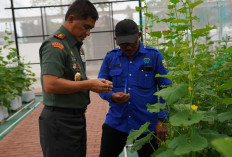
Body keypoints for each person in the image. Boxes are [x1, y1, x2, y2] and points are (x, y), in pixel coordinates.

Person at [38, 1, 113, 157]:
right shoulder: (55, 45)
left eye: (90, 29)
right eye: (86, 27)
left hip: (75, 119)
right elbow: (50, 84)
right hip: (60, 121)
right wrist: (90, 84)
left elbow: (76, 78)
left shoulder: (75, 47)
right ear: (71, 19)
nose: (88, 33)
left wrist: (93, 83)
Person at [98, 19, 172, 157]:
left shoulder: (154, 56)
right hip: (116, 122)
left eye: (131, 43)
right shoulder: (111, 58)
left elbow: (166, 88)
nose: (128, 48)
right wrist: (112, 96)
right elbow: (101, 85)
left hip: (147, 125)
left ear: (139, 35)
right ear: (116, 40)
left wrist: (162, 120)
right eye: (123, 44)